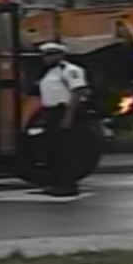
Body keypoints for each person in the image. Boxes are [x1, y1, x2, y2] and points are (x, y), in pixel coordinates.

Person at [36, 41, 89, 197]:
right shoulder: (48, 72)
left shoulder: (70, 70)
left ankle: (68, 185)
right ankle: (57, 183)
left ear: (60, 55)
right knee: (53, 151)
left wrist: (68, 117)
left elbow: (77, 93)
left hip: (63, 111)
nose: (47, 58)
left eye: (51, 54)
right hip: (50, 113)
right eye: (45, 55)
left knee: (65, 151)